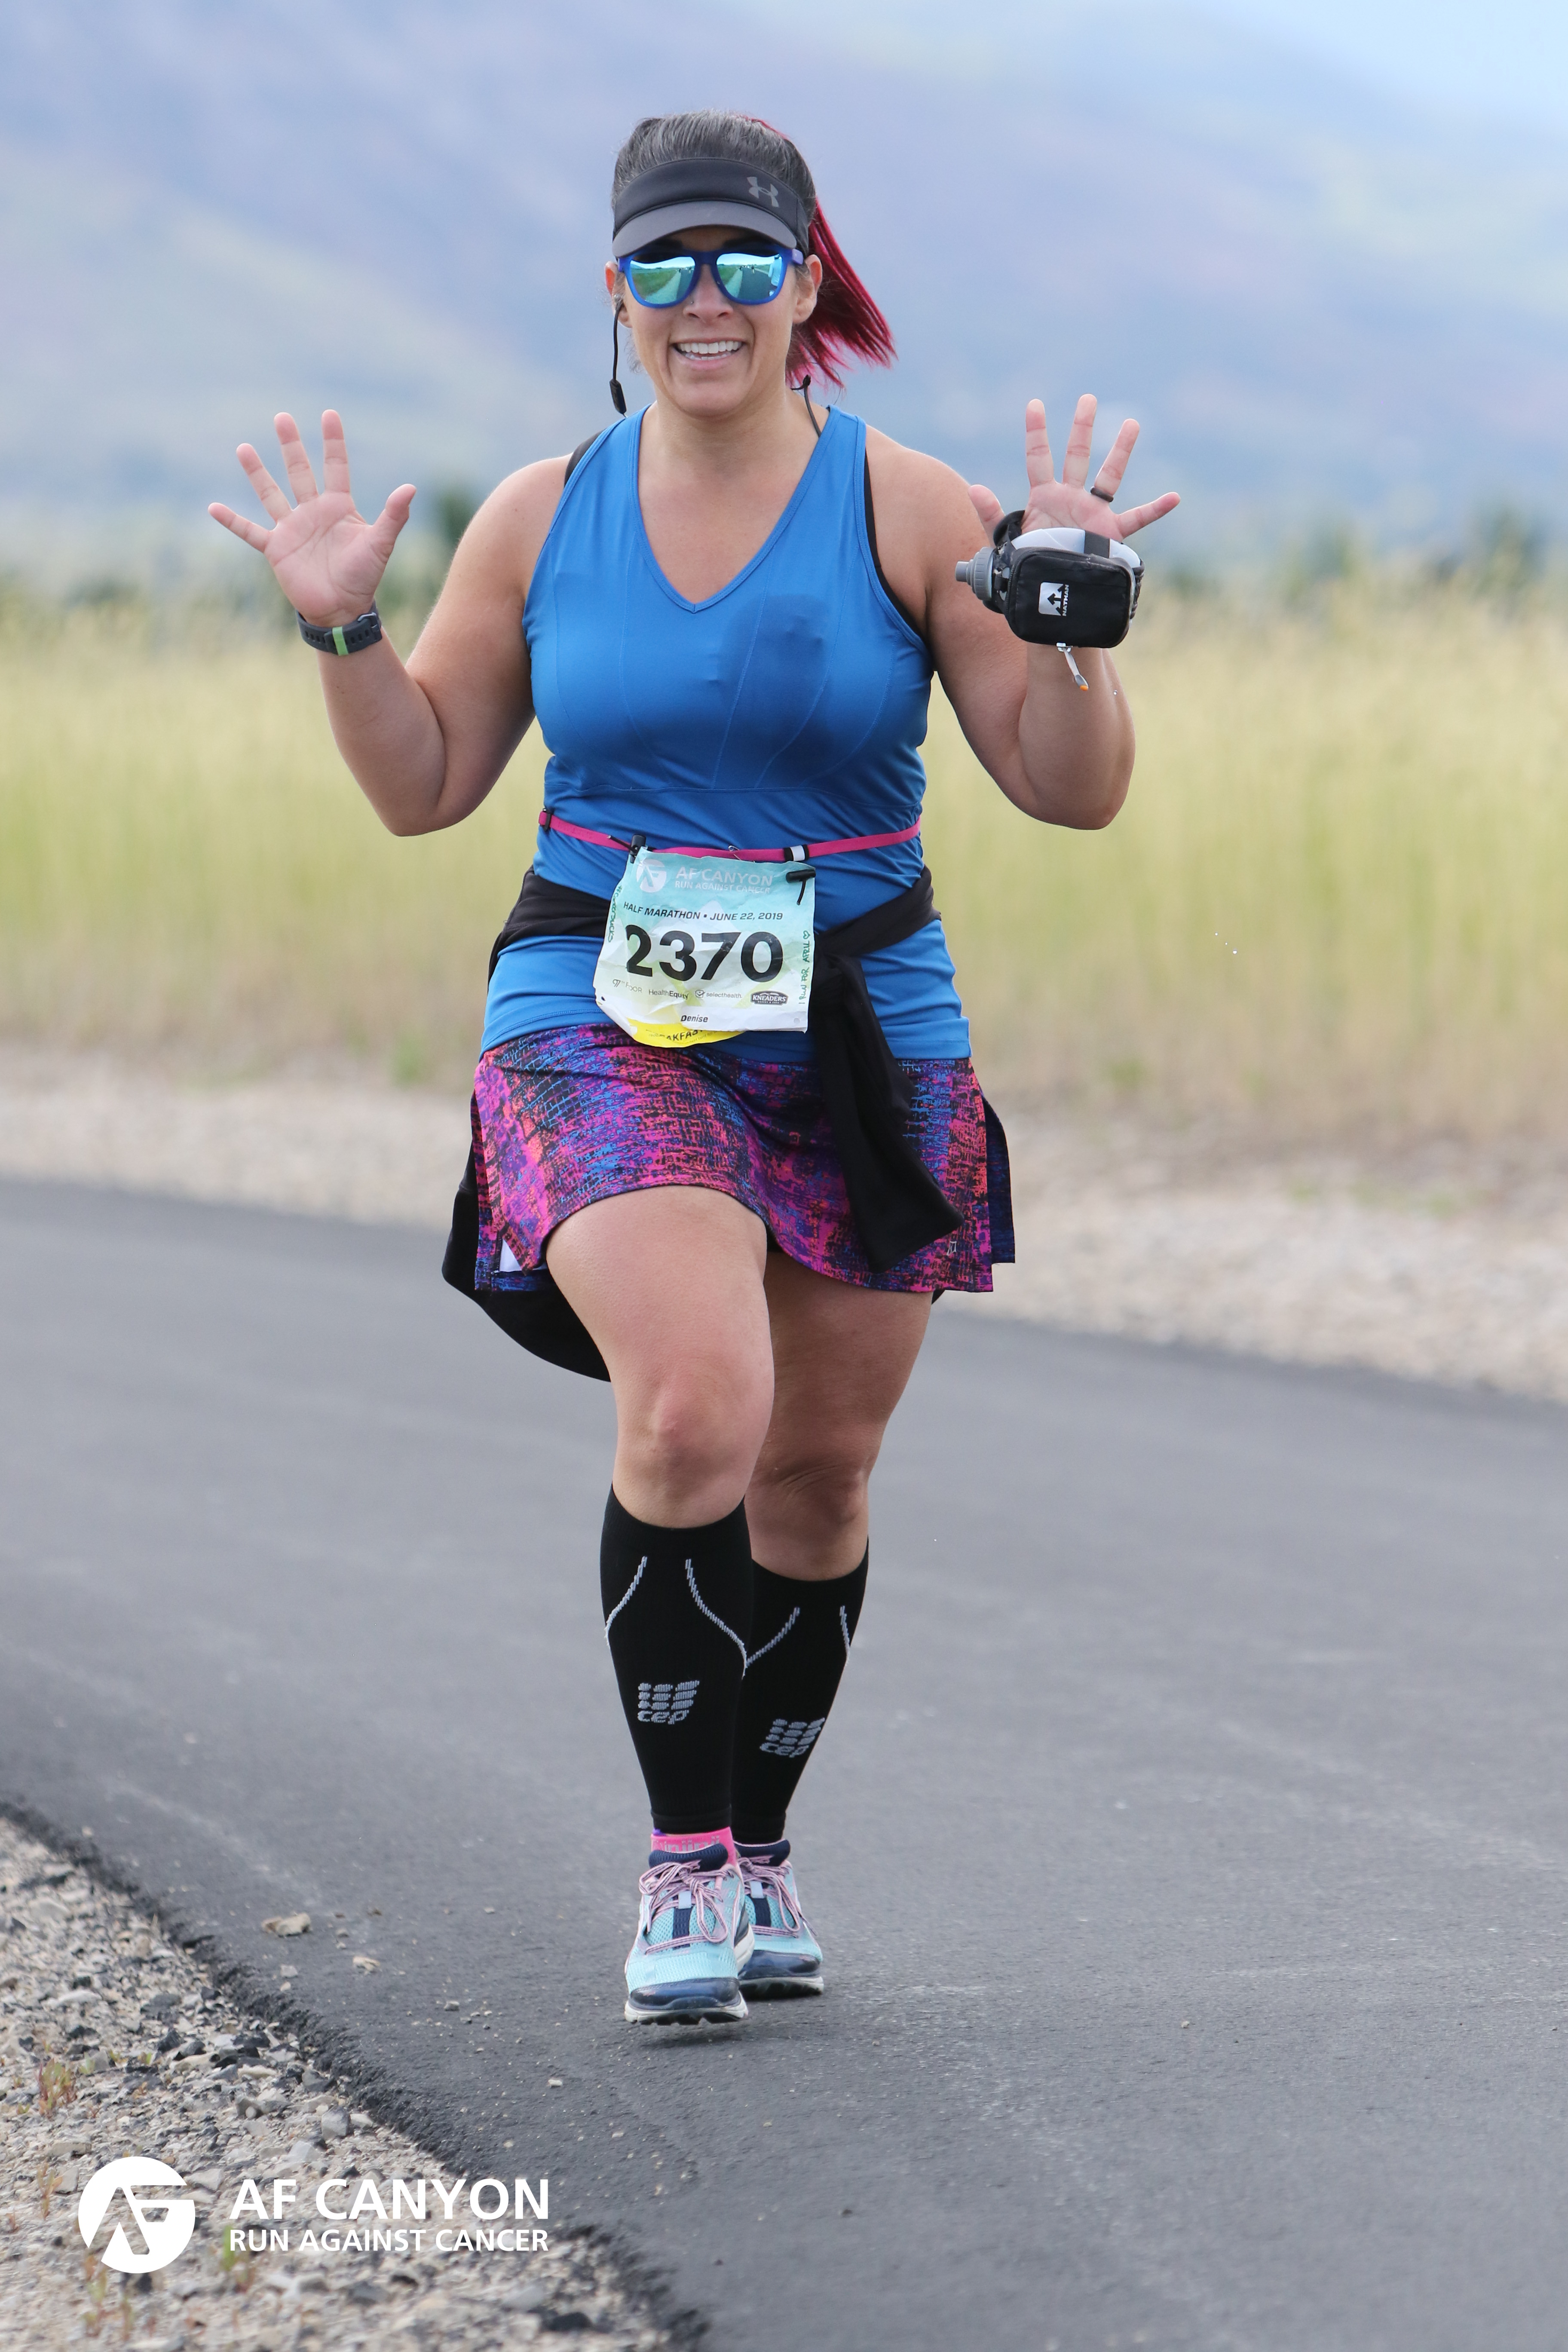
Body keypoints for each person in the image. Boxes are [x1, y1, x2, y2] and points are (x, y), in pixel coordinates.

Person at [209, 110, 1178, 2027]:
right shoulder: (538, 515)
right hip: (598, 1005)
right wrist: (343, 626)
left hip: (861, 1016)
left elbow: (1069, 792)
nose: (706, 297)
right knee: (695, 1409)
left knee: (817, 1475)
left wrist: (1076, 630)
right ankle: (680, 1868)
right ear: (618, 290)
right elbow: (424, 782)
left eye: (746, 260)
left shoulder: (910, 506)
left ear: (809, 284)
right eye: (668, 262)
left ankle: (759, 1846)